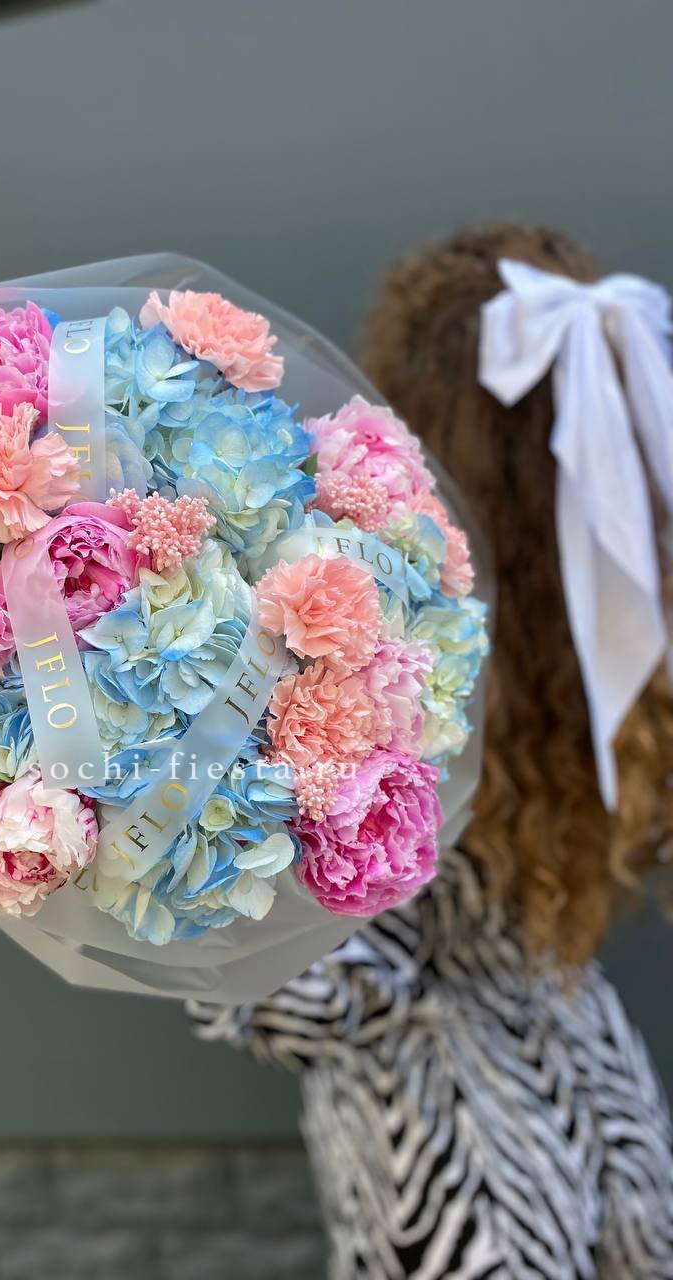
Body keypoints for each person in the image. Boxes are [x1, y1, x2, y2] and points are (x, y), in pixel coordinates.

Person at [189, 224, 673, 1279]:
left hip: (442, 1134)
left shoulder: (344, 616)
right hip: (586, 1083)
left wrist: (183, 875)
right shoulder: (628, 614)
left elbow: (299, 996)